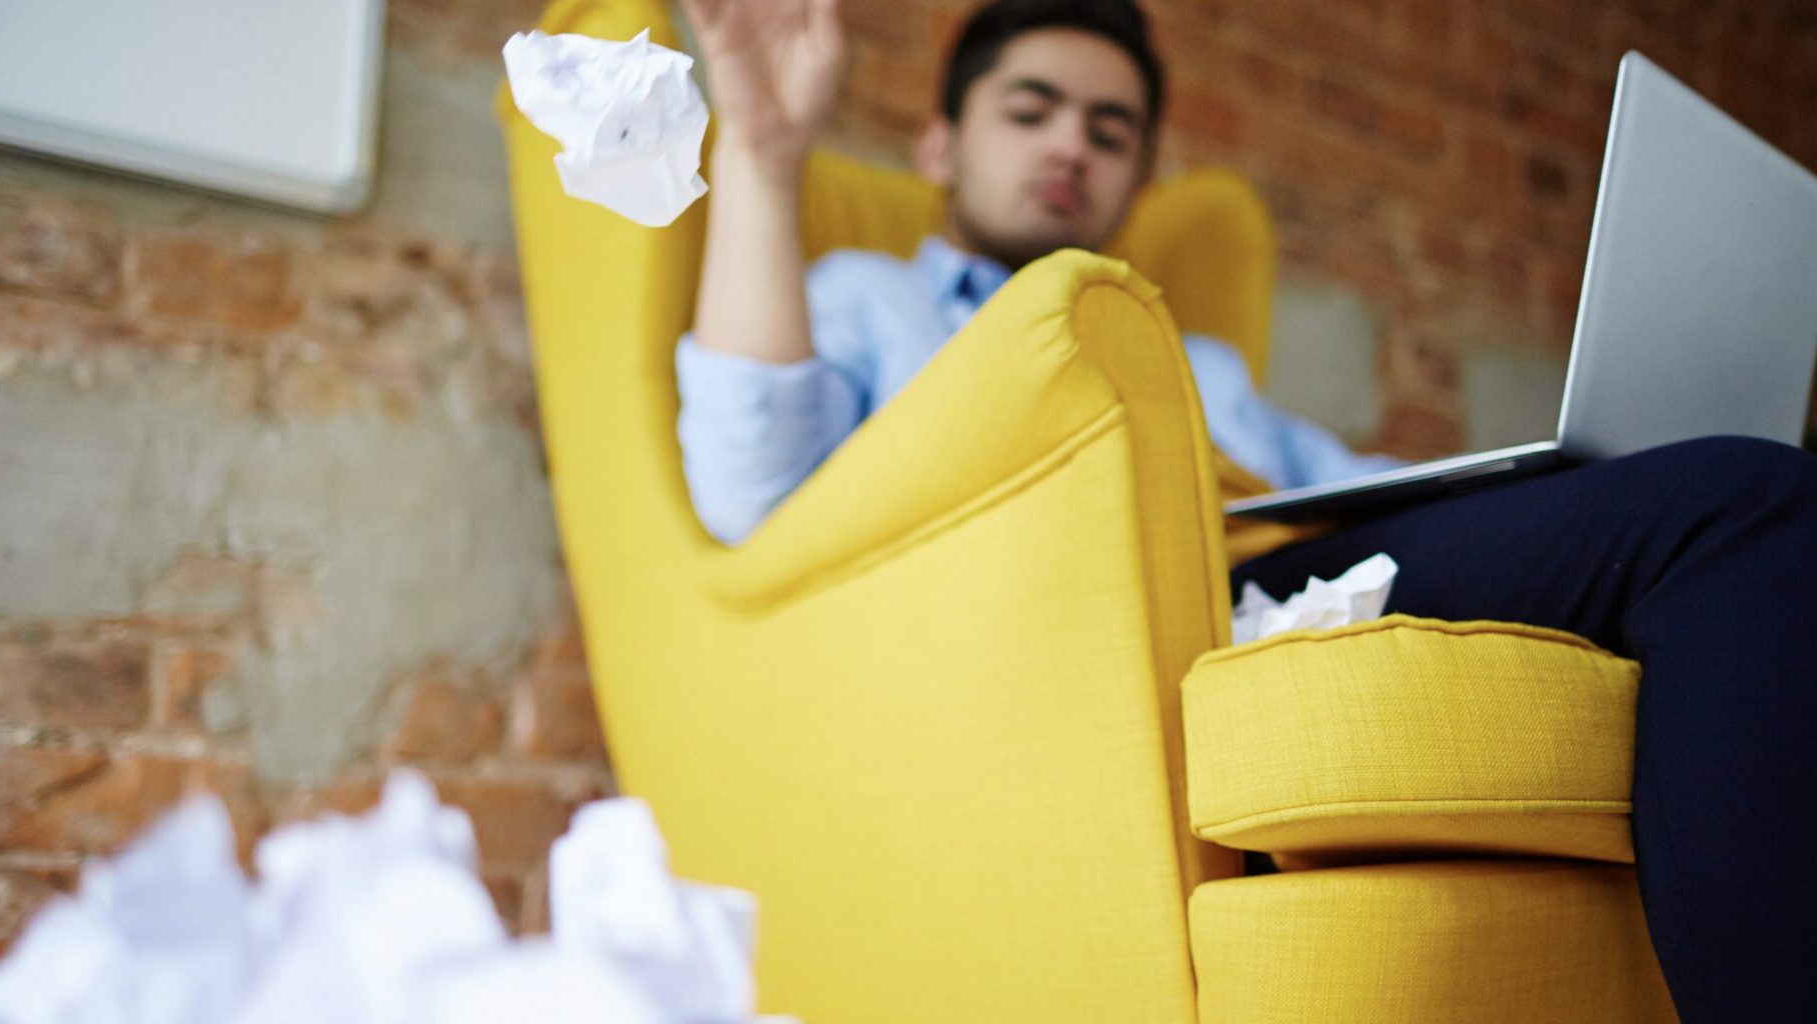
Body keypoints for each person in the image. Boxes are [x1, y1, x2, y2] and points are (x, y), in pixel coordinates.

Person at [673, 0, 1817, 1018]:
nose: (1072, 142)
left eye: (1109, 129)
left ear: (1136, 179)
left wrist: (1554, 482)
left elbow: (1361, 486)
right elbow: (749, 496)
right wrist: (769, 161)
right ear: (942, 144)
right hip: (1087, 615)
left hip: (1307, 569)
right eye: (1033, 111)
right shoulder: (870, 300)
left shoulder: (1199, 360)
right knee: (1738, 502)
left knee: (1713, 512)